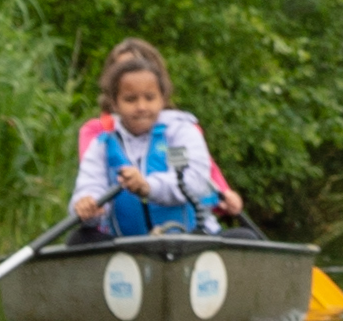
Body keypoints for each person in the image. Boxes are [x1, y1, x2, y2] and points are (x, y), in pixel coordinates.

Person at [70, 40, 235, 239]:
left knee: (245, 238)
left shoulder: (179, 133)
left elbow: (193, 182)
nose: (141, 107)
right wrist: (86, 204)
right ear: (114, 103)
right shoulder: (102, 144)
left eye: (149, 98)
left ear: (162, 98)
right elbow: (90, 185)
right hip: (129, 244)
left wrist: (147, 186)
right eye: (130, 99)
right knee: (80, 238)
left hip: (191, 238)